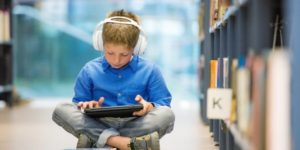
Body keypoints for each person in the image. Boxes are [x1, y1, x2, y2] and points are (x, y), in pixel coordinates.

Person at [52, 9, 175, 150]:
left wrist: (149, 107)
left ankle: (100, 141)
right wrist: (88, 105)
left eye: (124, 54)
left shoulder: (151, 70)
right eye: (110, 53)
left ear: (136, 48)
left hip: (136, 122)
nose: (116, 60)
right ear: (101, 44)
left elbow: (163, 104)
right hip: (100, 122)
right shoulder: (89, 70)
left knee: (167, 114)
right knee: (61, 109)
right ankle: (128, 144)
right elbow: (79, 104)